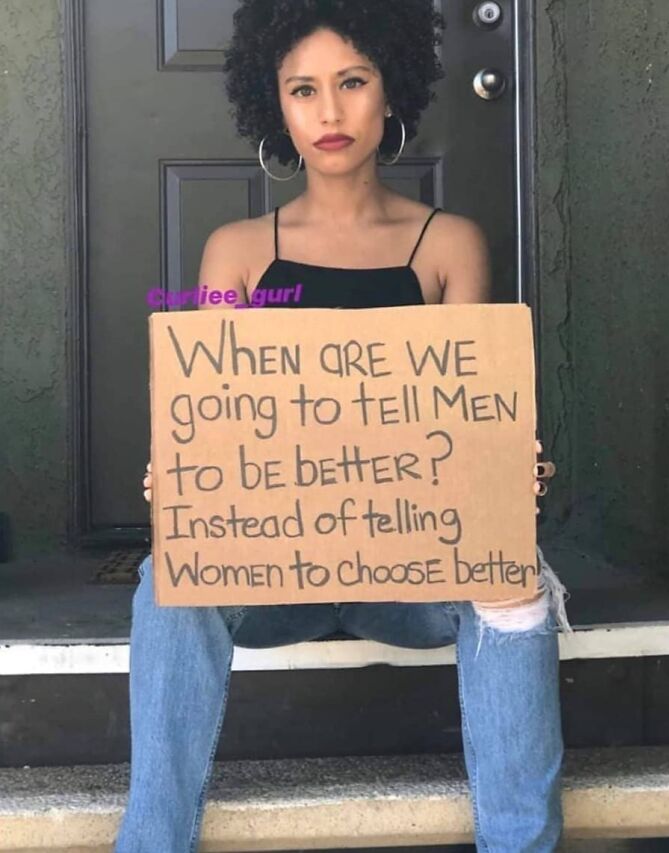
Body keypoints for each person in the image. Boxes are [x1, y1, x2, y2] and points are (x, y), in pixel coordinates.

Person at [114, 2, 571, 851]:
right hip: (275, 575)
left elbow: (473, 411)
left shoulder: (449, 244)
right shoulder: (237, 252)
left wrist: (506, 470)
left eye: (352, 82)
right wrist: (179, 474)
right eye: (303, 90)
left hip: (408, 577)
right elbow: (214, 414)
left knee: (513, 577)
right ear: (275, 105)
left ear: (390, 89)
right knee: (167, 579)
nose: (329, 113)